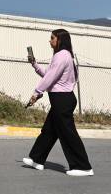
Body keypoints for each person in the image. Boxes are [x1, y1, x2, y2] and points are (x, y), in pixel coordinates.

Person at [23, 29, 93, 176]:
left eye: (52, 38)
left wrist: (37, 92)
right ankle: (37, 159)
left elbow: (50, 78)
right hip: (61, 99)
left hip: (62, 100)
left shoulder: (62, 56)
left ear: (60, 40)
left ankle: (83, 166)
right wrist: (34, 64)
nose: (50, 41)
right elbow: (48, 74)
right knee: (48, 130)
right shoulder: (62, 55)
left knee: (68, 134)